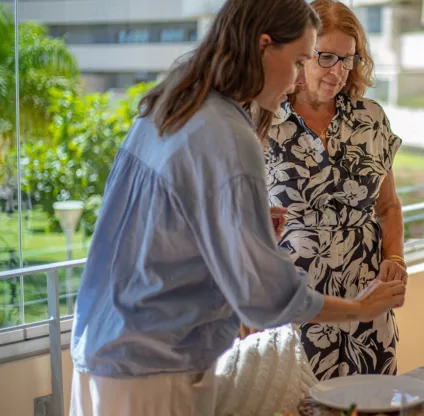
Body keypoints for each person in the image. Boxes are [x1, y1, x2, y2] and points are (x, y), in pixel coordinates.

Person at [68, 0, 405, 415]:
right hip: (156, 366)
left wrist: (242, 226)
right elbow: (262, 296)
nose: (299, 77)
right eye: (301, 60)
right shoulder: (228, 131)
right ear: (265, 47)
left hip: (103, 349)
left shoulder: (173, 104)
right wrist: (359, 309)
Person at [261, 0, 406, 380]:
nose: (338, 71)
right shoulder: (265, 121)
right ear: (302, 53)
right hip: (299, 302)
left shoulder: (371, 118)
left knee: (374, 402)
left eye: (348, 59)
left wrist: (397, 258)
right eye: (326, 57)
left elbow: (388, 205)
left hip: (368, 297)